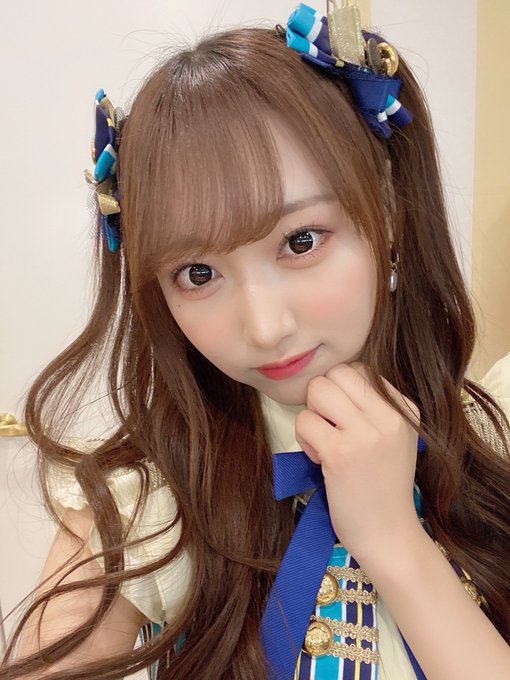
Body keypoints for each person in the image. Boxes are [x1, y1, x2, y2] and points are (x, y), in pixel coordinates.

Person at [2, 3, 510, 679]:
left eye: (301, 241)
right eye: (198, 274)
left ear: (387, 213)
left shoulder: (496, 438)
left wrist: (392, 537)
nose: (266, 328)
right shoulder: (143, 499)